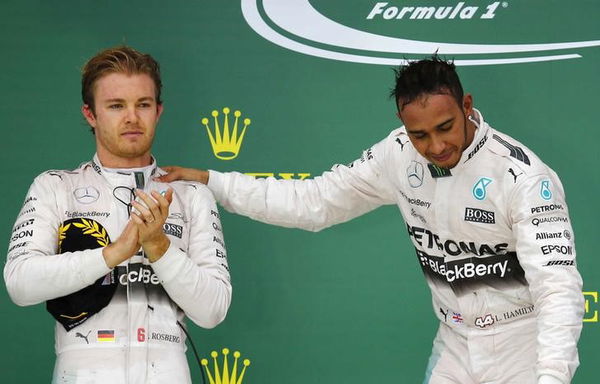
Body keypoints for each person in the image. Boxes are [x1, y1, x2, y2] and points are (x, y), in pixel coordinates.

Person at [157, 57, 583, 384]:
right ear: (402, 123)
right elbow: (313, 201)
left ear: (467, 105)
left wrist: (550, 377)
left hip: (521, 347)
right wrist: (214, 180)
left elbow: (558, 290)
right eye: (420, 134)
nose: (435, 145)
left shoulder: (524, 178)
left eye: (446, 126)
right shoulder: (396, 155)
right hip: (455, 343)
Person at [4, 46, 232, 384]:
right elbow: (19, 283)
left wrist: (159, 248)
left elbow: (213, 310)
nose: (131, 118)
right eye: (115, 106)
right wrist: (112, 254)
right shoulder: (55, 187)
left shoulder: (190, 195)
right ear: (90, 115)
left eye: (143, 104)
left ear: (159, 111)